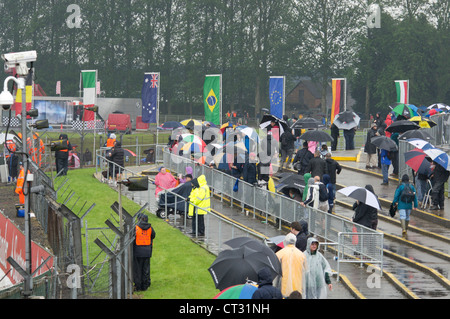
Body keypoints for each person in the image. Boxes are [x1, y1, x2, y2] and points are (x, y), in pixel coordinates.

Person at [274, 233, 307, 298]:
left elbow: (275, 274)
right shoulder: (302, 255)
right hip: (297, 290)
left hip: (284, 289)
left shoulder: (279, 254)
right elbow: (305, 273)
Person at [133, 213, 156, 292]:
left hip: (138, 251)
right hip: (147, 251)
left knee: (138, 270)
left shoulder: (136, 228)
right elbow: (153, 236)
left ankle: (138, 286)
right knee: (146, 269)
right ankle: (145, 285)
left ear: (139, 219)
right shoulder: (150, 228)